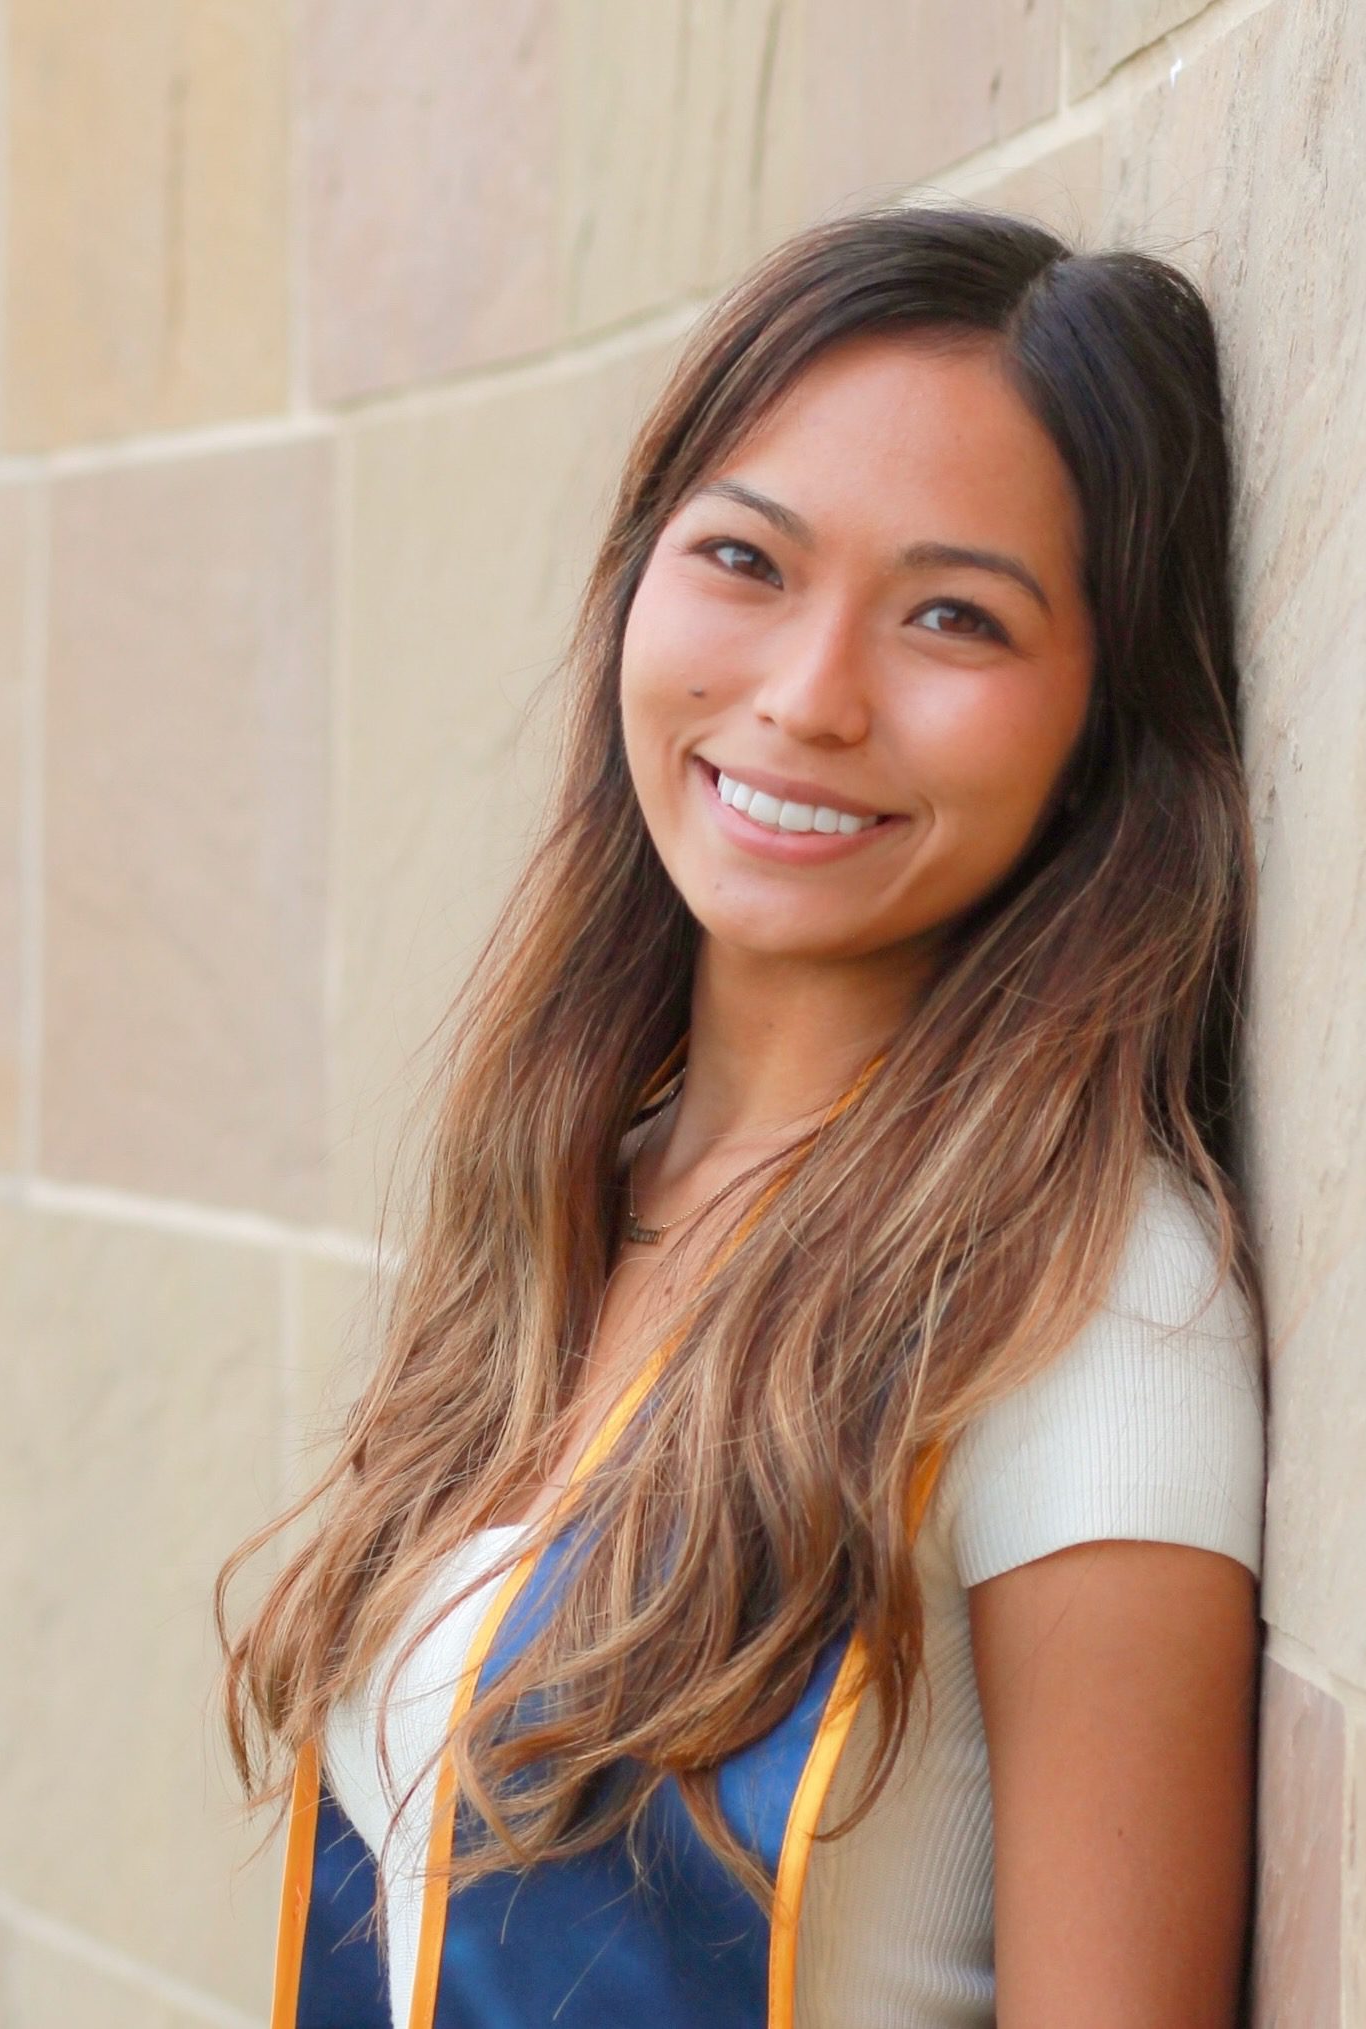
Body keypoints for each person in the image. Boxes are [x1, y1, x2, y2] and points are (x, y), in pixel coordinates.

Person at [215, 199, 1268, 2029]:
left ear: (1103, 722)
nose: (806, 697)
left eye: (956, 615)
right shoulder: (580, 1196)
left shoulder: (1092, 1303)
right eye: (745, 559)